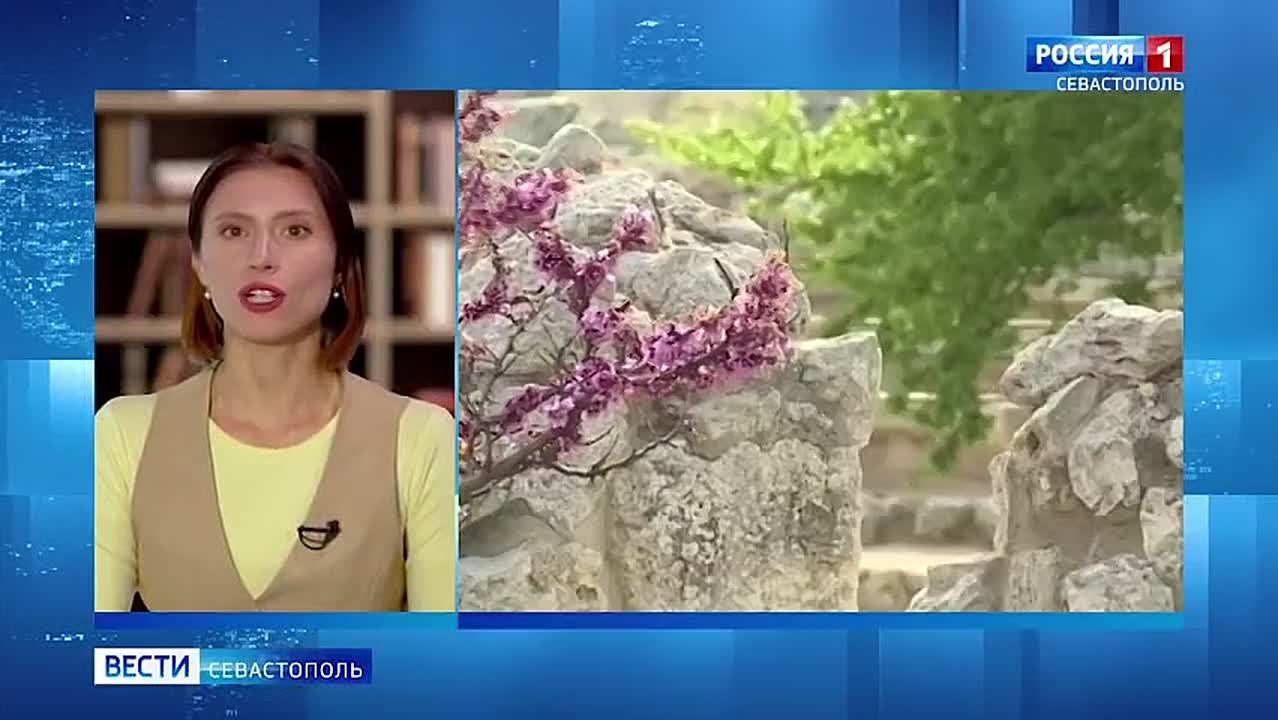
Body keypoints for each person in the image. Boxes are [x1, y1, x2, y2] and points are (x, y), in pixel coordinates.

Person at [95, 142, 457, 612]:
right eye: (234, 231)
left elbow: (438, 650)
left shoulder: (421, 437)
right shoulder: (124, 434)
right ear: (199, 263)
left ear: (339, 266)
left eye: (295, 230)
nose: (262, 256)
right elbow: (84, 647)